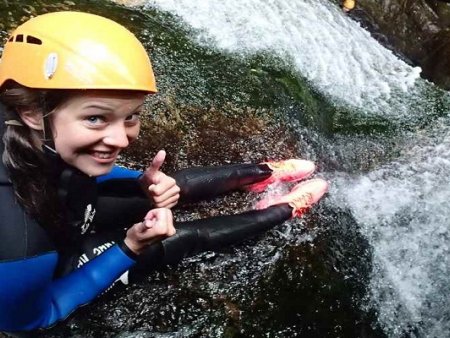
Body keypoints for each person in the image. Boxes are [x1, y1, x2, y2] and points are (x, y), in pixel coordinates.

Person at [0, 11, 328, 334]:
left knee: (169, 187)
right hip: (54, 260)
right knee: (178, 237)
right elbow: (34, 319)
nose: (120, 139)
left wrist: (139, 182)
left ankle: (263, 173)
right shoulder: (21, 244)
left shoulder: (28, 123)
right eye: (96, 118)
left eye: (131, 117)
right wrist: (130, 247)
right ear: (32, 113)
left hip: (62, 199)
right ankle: (282, 209)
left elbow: (65, 166)